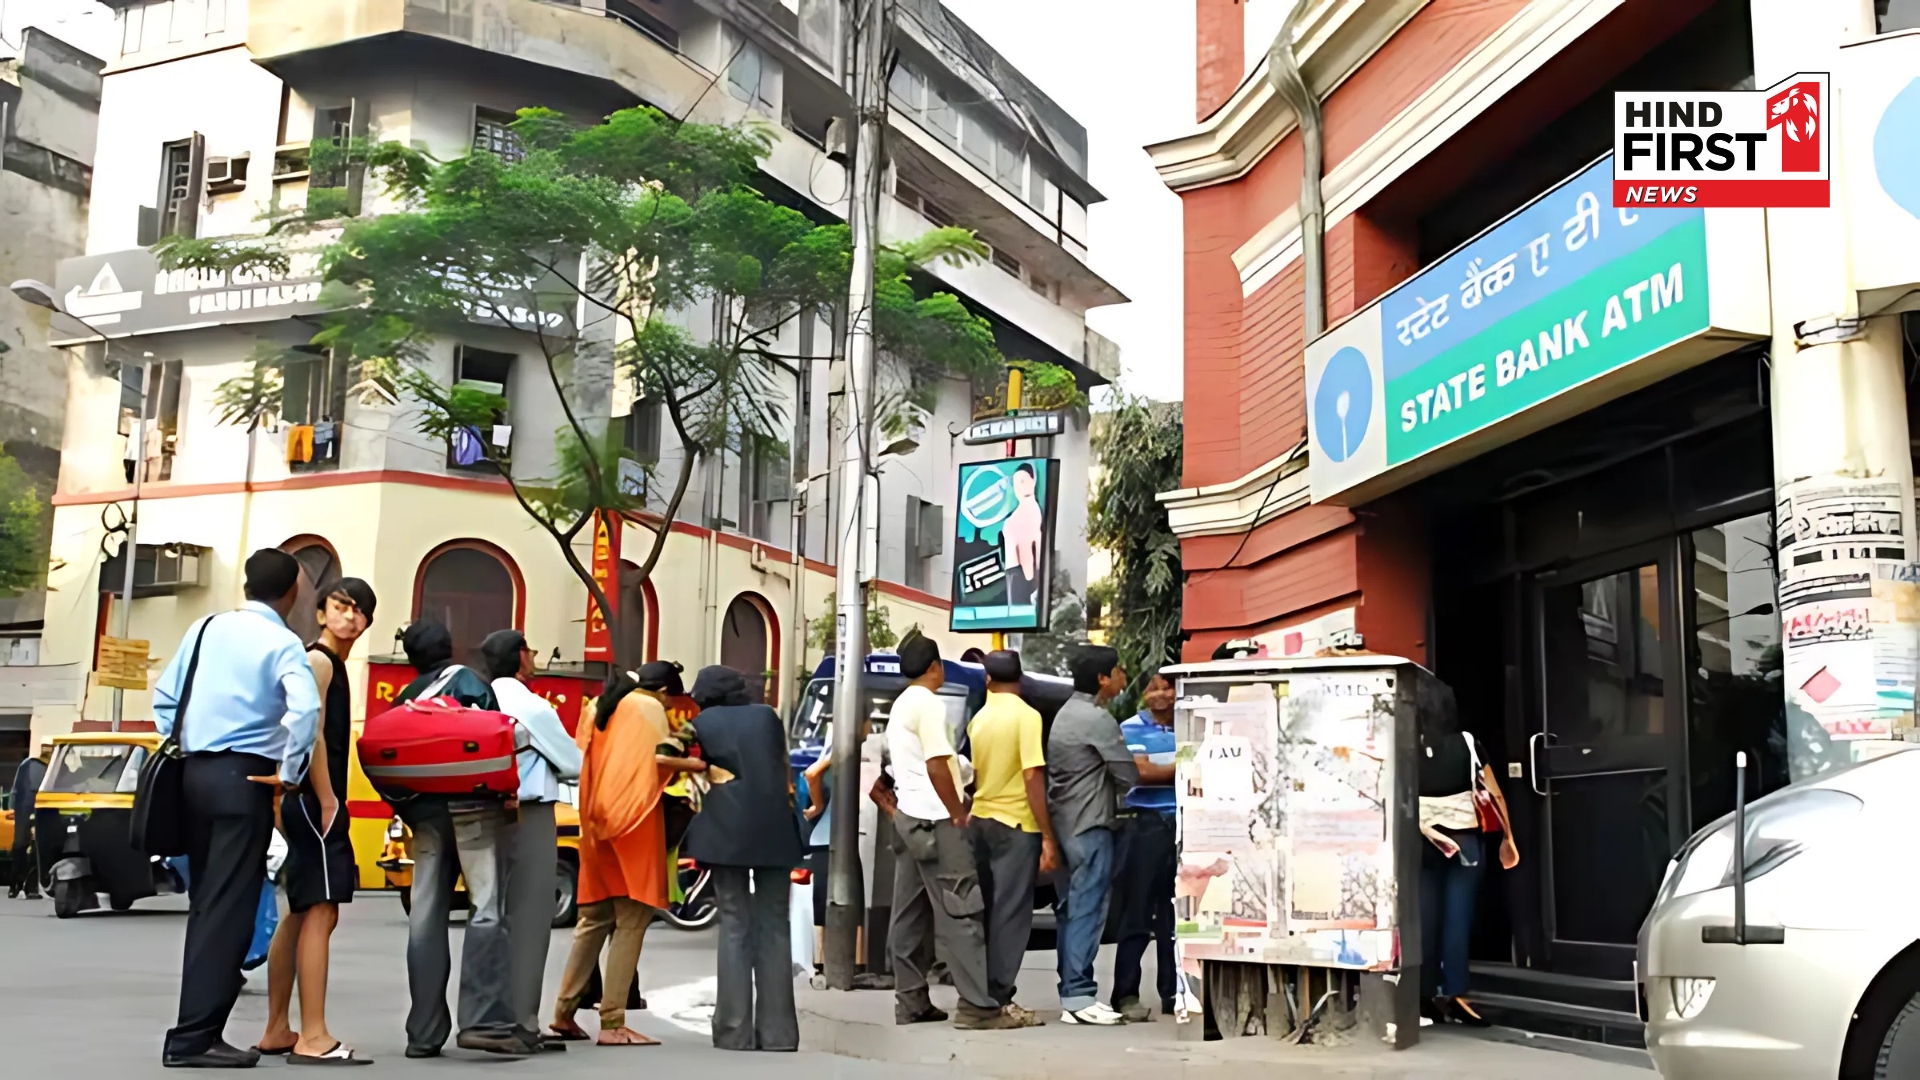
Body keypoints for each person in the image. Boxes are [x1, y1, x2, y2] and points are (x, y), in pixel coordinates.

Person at [155, 548, 320, 1068]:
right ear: (291, 591)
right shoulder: (282, 641)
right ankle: (194, 1038)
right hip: (244, 776)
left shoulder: (205, 628)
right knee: (230, 909)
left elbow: (165, 698)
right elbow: (307, 706)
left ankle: (195, 1031)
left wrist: (187, 741)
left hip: (193, 774)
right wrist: (290, 774)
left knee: (208, 905)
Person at [387, 620, 525, 1057]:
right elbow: (497, 737)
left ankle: (423, 1032)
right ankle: (484, 1021)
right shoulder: (468, 680)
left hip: (425, 815)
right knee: (485, 909)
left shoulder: (407, 699)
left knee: (425, 918)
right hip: (473, 811)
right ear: (450, 647)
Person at [255, 578, 378, 1065]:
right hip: (314, 801)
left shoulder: (327, 662)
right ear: (321, 613)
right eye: (340, 606)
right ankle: (314, 1035)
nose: (350, 616)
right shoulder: (321, 661)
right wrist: (327, 798)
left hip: (300, 799)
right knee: (322, 909)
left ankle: (277, 1029)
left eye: (360, 610)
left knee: (302, 910)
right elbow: (312, 734)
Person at [550, 662, 704, 1046]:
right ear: (664, 692)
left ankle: (564, 1013)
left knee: (594, 919)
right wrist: (699, 765)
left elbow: (580, 757)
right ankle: (613, 1021)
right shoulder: (649, 709)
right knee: (632, 920)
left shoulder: (598, 705)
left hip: (594, 823)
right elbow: (656, 762)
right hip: (633, 822)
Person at [882, 634, 1011, 1030]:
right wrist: (958, 813)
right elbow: (939, 764)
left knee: (908, 913)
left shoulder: (901, 704)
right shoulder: (928, 704)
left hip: (907, 818)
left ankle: (911, 1001)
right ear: (935, 667)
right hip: (936, 820)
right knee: (961, 911)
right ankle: (977, 1008)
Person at [680, 665, 806, 1052]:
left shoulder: (700, 724)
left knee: (734, 924)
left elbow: (667, 755)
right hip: (774, 828)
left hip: (726, 832)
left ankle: (734, 1031)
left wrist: (704, 769)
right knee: (774, 925)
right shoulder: (767, 717)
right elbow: (781, 766)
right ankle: (779, 1033)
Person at [481, 629, 583, 1052]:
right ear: (520, 657)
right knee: (529, 918)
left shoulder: (481, 697)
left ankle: (488, 1013)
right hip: (530, 811)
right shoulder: (532, 705)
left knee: (492, 915)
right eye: (531, 650)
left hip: (485, 813)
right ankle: (521, 1020)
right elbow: (574, 763)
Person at [1046, 645, 1138, 1026]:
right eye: (1118, 670)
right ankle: (1080, 996)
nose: (1122, 676)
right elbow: (1128, 774)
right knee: (1087, 908)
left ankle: (1072, 991)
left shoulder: (1066, 713)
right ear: (1103, 679)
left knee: (1071, 909)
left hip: (1065, 822)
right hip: (1090, 824)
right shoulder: (1096, 719)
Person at [966, 649, 1057, 1026]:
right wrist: (1048, 836)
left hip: (980, 821)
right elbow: (1032, 776)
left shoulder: (978, 720)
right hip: (1017, 825)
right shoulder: (1027, 717)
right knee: (1011, 915)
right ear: (1019, 680)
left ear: (988, 681)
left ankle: (979, 992)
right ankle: (998, 997)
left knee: (986, 911)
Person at [1417, 702, 1518, 1026]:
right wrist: (1508, 838)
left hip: (1421, 840)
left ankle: (1424, 996)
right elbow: (1494, 793)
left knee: (1425, 917)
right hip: (1464, 841)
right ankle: (1456, 995)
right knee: (1458, 918)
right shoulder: (1467, 743)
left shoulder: (1404, 742)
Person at [1112, 670, 1179, 1022]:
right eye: (1154, 686)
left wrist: (1169, 766)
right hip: (1146, 824)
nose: (1162, 693)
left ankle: (1173, 994)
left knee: (1175, 916)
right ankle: (1125, 994)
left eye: (1167, 687)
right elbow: (1142, 772)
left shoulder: (1189, 723)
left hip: (1182, 825)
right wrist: (1187, 764)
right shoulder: (1130, 727)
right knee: (1137, 912)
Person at [8, 743, 48, 899]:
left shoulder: (27, 764)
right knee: (35, 847)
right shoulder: (46, 769)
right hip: (36, 810)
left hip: (23, 810)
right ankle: (30, 888)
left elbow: (15, 790)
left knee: (20, 846)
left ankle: (15, 886)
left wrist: (14, 808)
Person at [1002, 464, 1044, 606]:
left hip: (1020, 576)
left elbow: (1027, 549)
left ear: (1033, 481)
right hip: (1016, 574)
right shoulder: (1025, 510)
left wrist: (1031, 582)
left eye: (1022, 481)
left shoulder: (1029, 510)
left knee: (1017, 618)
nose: (1019, 487)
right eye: (1016, 483)